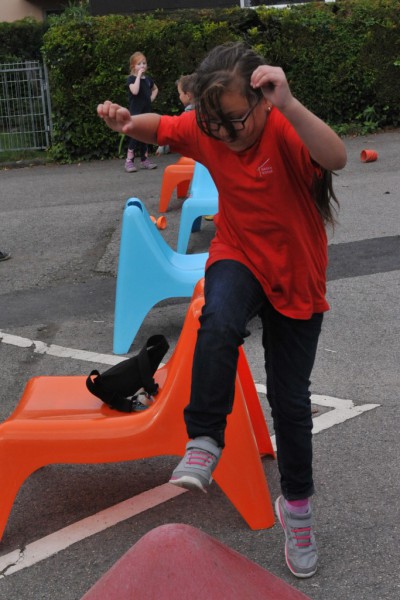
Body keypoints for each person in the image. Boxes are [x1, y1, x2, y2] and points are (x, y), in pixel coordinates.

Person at [97, 41, 347, 579]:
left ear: (261, 100)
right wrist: (126, 123)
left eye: (235, 120)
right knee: (218, 321)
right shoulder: (211, 128)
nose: (227, 135)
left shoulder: (280, 126)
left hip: (297, 273)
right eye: (215, 125)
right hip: (239, 254)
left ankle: (297, 510)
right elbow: (161, 128)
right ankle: (205, 439)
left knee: (290, 401)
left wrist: (291, 104)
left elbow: (337, 157)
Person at [125, 51, 158, 172]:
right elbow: (134, 91)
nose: (142, 65)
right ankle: (129, 161)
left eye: (144, 63)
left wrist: (151, 98)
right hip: (136, 113)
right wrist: (138, 76)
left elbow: (155, 89)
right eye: (139, 63)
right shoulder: (131, 79)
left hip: (147, 112)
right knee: (135, 136)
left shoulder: (148, 79)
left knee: (145, 136)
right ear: (133, 66)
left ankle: (144, 159)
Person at [156, 73, 196, 156]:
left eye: (180, 93)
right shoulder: (208, 108)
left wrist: (163, 147)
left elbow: (177, 132)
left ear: (188, 95)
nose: (179, 97)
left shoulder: (189, 114)